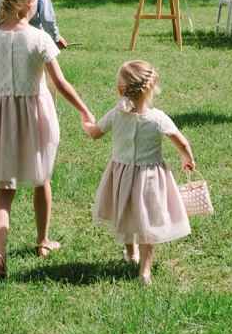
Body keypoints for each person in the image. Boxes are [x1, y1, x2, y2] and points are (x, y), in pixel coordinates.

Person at [0, 0, 96, 277]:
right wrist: (85, 111)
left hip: (1, 117)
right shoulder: (41, 38)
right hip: (36, 116)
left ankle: (0, 252)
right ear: (29, 4)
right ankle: (42, 241)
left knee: (4, 189)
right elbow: (61, 84)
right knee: (42, 179)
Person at [83, 60, 194, 285]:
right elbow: (181, 143)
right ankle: (145, 271)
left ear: (121, 90)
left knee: (128, 213)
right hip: (151, 179)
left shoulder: (116, 114)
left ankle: (131, 254)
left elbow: (95, 133)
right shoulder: (159, 119)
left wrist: (87, 123)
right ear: (151, 89)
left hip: (122, 176)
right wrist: (187, 158)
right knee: (148, 224)